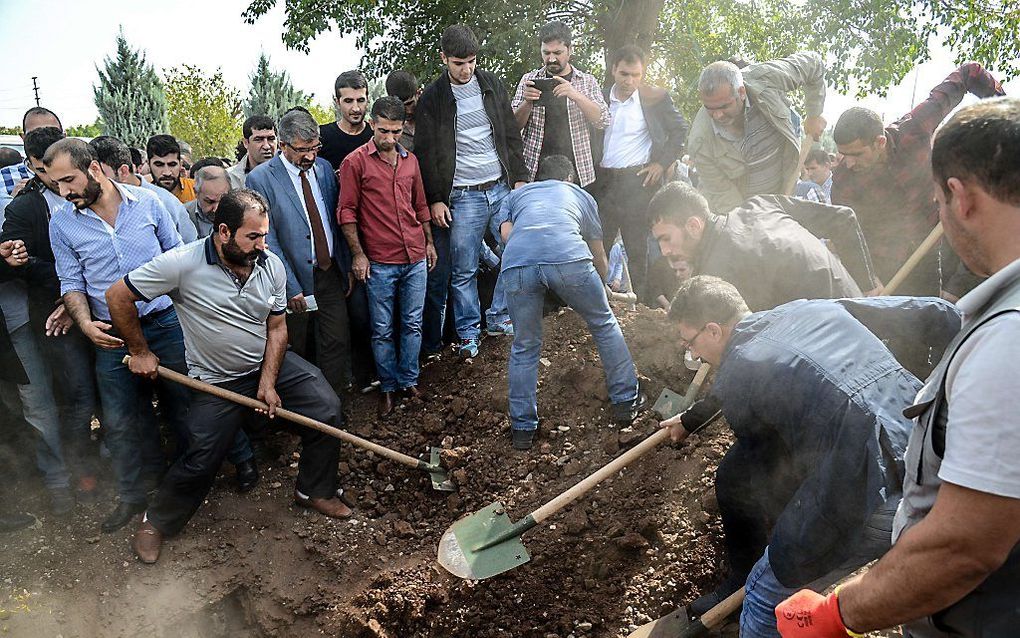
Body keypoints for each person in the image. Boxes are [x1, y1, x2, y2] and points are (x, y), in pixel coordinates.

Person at [776, 97, 1020, 638]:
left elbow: (963, 547)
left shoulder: (1008, 340)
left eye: (937, 201)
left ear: (958, 197)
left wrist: (836, 614)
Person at [660, 275, 960, 637]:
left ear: (713, 330)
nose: (694, 355)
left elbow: (771, 474)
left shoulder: (740, 372)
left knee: (763, 599)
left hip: (872, 484)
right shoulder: (811, 308)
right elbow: (937, 312)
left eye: (691, 344)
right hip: (939, 449)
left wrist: (785, 546)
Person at [104, 190, 350, 564]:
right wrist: (140, 351)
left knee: (326, 408)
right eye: (252, 237)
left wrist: (268, 383)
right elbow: (117, 296)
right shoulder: (181, 264)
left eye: (264, 235)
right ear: (223, 231)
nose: (262, 245)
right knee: (202, 455)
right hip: (215, 379)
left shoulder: (271, 266)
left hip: (267, 364)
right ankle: (156, 521)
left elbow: (278, 329)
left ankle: (314, 489)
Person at [44, 138, 192, 534]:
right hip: (109, 335)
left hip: (163, 324)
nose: (64, 191)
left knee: (186, 405)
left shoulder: (148, 204)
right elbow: (71, 281)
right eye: (57, 184)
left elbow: (178, 260)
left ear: (93, 168)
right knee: (122, 420)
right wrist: (86, 323)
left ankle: (192, 484)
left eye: (69, 180)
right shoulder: (62, 223)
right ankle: (134, 496)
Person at [497, 155, 641, 450]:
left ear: (539, 178)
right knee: (603, 322)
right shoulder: (579, 195)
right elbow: (598, 252)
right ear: (569, 178)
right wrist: (602, 286)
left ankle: (523, 430)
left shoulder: (517, 195)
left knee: (525, 344)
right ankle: (626, 401)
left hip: (517, 263)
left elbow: (506, 234)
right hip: (569, 259)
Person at [831, 62, 1005, 299]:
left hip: (939, 239)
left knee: (948, 308)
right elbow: (845, 231)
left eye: (856, 154)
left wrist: (1003, 107)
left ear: (879, 142)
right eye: (844, 155)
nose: (848, 163)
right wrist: (868, 280)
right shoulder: (843, 179)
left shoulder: (913, 129)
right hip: (888, 260)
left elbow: (969, 73)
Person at [416, 24, 529, 358]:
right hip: (463, 197)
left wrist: (520, 177)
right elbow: (426, 153)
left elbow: (510, 132)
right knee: (463, 268)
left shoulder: (491, 85)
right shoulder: (434, 98)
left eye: (471, 62)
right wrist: (436, 198)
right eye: (458, 63)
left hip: (500, 187)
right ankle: (468, 334)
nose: (466, 70)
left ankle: (498, 317)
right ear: (444, 59)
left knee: (518, 251)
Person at [1, 127, 99, 510]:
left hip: (101, 311)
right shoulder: (24, 208)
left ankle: (103, 465)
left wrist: (83, 296)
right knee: (70, 398)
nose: (60, 186)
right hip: (52, 319)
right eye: (46, 172)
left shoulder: (98, 194)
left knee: (105, 395)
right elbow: (19, 264)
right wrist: (69, 295)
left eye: (65, 175)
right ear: (33, 166)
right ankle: (69, 476)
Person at [338, 97, 437, 416]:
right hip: (379, 260)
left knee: (413, 323)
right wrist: (358, 255)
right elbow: (346, 211)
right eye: (383, 131)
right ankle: (389, 387)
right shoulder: (355, 162)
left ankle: (409, 380)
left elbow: (421, 205)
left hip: (415, 255)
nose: (390, 139)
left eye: (395, 132)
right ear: (372, 124)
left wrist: (430, 243)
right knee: (382, 328)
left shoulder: (411, 161)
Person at [246, 108, 354, 394]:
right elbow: (270, 240)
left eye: (314, 148)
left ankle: (331, 407)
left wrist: (345, 264)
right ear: (283, 145)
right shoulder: (261, 179)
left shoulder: (324, 169)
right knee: (297, 347)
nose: (309, 156)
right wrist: (290, 286)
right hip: (290, 280)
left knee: (336, 340)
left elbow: (333, 218)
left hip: (329, 272)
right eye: (302, 150)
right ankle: (301, 411)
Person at [648, 181, 879, 311]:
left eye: (666, 239)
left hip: (837, 349)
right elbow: (843, 219)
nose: (665, 251)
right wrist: (867, 288)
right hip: (858, 307)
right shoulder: (760, 204)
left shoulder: (717, 278)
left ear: (693, 225)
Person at [590, 44, 688, 301]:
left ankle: (643, 307)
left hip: (639, 181)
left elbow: (680, 131)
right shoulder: (597, 97)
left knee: (638, 247)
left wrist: (661, 163)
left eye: (636, 75)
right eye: (624, 74)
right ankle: (595, 303)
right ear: (613, 70)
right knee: (598, 243)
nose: (629, 80)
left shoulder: (654, 98)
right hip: (604, 181)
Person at [687, 54, 827, 214]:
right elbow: (726, 198)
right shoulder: (700, 143)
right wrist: (753, 224)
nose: (717, 115)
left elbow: (814, 64)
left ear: (741, 92)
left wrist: (814, 114)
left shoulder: (766, 77)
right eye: (710, 108)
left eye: (724, 106)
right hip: (746, 211)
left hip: (784, 194)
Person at [511, 20, 609, 188]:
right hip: (535, 170)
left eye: (557, 52)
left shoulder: (586, 81)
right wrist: (527, 103)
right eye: (546, 53)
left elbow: (602, 120)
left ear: (570, 50)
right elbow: (512, 127)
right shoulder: (529, 80)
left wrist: (575, 95)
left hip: (577, 171)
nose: (551, 59)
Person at [90, 136, 198, 242]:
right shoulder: (86, 206)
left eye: (99, 173)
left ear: (123, 171)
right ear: (148, 163)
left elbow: (190, 248)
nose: (167, 172)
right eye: (159, 164)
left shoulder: (165, 202)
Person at [1, 107, 62, 197]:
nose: (44, 138)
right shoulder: (3, 178)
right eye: (34, 134)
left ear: (63, 136)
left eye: (53, 132)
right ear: (23, 138)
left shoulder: (83, 172)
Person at [319, 70, 374, 171]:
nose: (356, 108)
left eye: (361, 100)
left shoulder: (376, 136)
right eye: (348, 101)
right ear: (337, 102)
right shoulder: (321, 136)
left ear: (368, 100)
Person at [228, 115, 277, 190]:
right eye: (258, 139)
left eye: (271, 139)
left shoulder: (290, 174)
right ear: (246, 143)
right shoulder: (230, 178)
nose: (266, 146)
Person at [147, 135, 196, 204]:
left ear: (180, 164)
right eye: (159, 165)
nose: (167, 173)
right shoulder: (142, 196)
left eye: (172, 165)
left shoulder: (196, 189)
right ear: (149, 164)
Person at [186, 165, 231, 237]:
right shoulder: (183, 215)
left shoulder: (241, 215)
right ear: (196, 192)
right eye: (210, 201)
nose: (216, 208)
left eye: (223, 200)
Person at [385, 70, 421, 151]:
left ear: (418, 94)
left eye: (410, 104)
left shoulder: (434, 118)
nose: (408, 111)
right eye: (402, 106)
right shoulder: (389, 131)